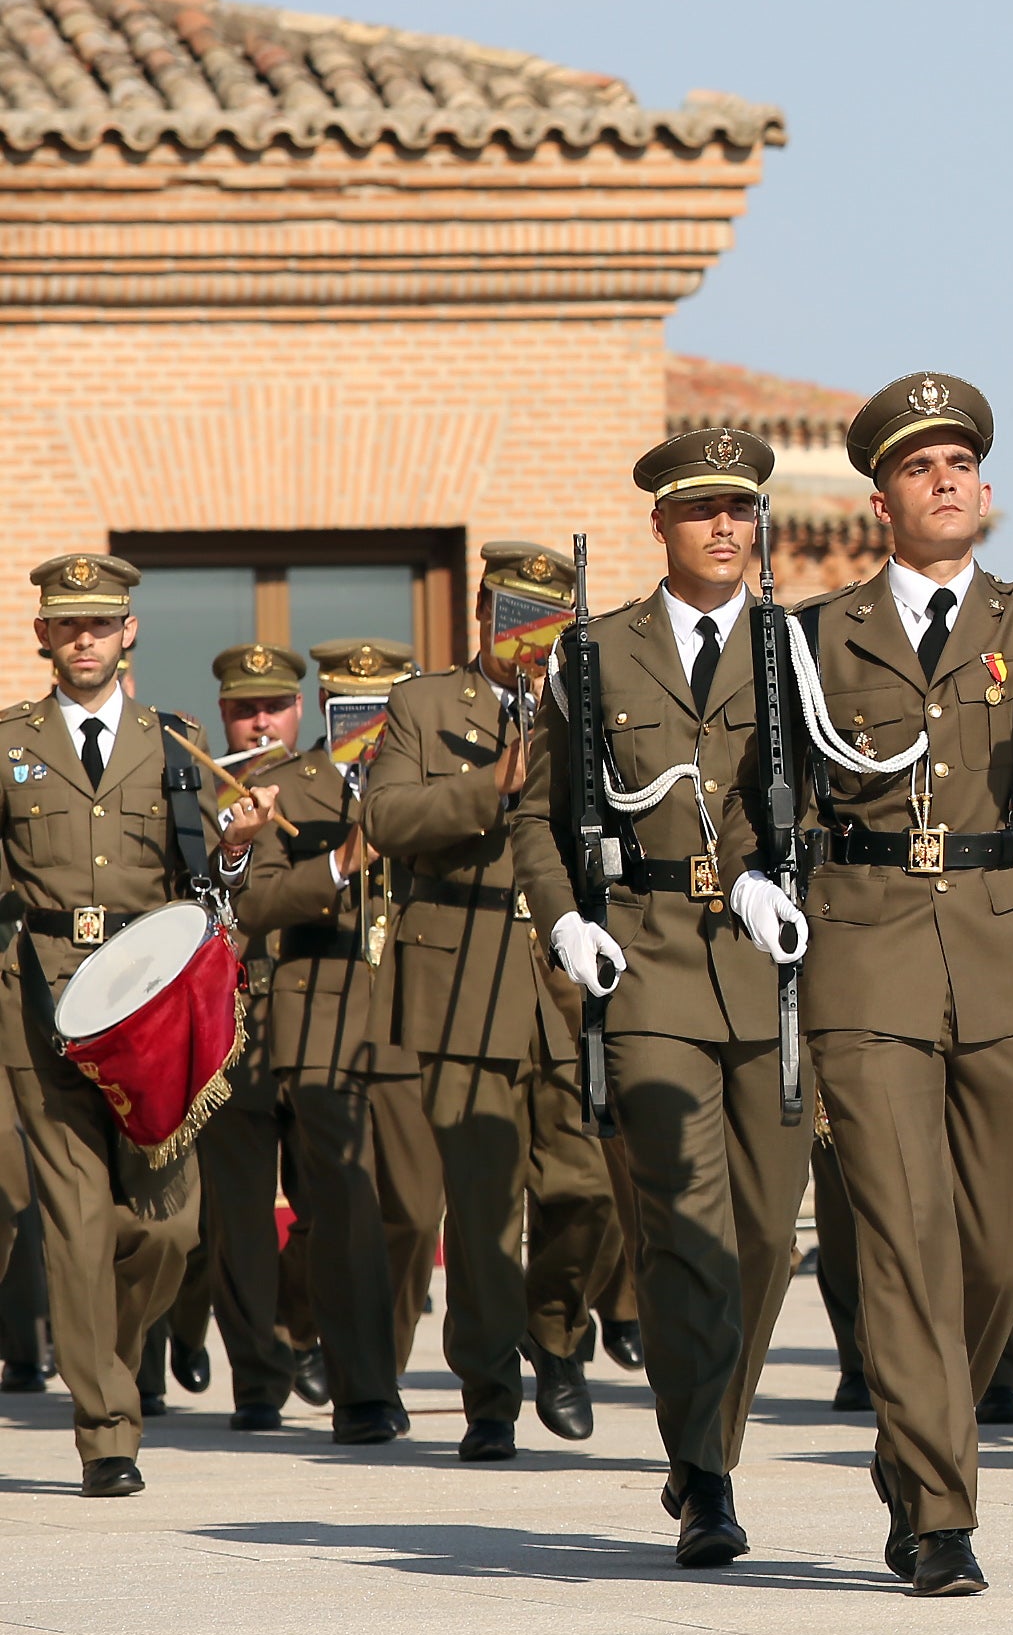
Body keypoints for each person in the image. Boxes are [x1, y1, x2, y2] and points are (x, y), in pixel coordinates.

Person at [797, 371, 1013, 1596]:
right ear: (881, 503)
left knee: (1008, 1241)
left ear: (987, 492)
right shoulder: (816, 634)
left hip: (1004, 942)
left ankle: (920, 1441)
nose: (943, 479)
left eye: (960, 463)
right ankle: (940, 1508)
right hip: (868, 944)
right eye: (917, 467)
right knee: (901, 1235)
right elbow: (770, 784)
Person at [510, 429, 819, 1567]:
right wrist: (563, 920)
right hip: (642, 959)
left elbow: (826, 793)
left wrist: (779, 881)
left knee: (766, 1241)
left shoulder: (794, 647)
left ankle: (700, 1444)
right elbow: (538, 819)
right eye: (702, 511)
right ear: (662, 527)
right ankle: (711, 1479)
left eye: (741, 508)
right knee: (685, 1228)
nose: (724, 527)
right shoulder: (595, 652)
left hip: (764, 963)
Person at [3, 553, 264, 1493]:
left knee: (165, 1230)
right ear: (43, 634)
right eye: (67, 624)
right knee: (75, 1221)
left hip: (147, 1009)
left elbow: (207, 889)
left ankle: (107, 1347)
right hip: (37, 1003)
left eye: (101, 623)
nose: (85, 638)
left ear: (130, 632)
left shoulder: (176, 742)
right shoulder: (8, 744)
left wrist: (233, 851)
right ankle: (107, 1425)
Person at [359, 540, 618, 1466]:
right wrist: (485, 787)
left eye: (547, 624)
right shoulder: (424, 704)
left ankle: (553, 1330)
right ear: (481, 617)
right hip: (459, 971)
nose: (529, 643)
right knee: (478, 1209)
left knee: (586, 1188)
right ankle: (488, 1392)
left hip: (559, 979)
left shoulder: (589, 707)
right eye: (514, 619)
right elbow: (384, 820)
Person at [235, 636, 423, 1447]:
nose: (367, 724)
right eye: (351, 707)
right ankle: (365, 1388)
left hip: (411, 1010)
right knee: (344, 1206)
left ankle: (357, 1345)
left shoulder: (424, 781)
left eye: (380, 708)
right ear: (324, 706)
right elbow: (259, 902)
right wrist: (342, 860)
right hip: (318, 1015)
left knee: (414, 1212)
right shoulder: (284, 788)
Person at [180, 641, 312, 1429]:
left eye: (273, 705)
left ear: (298, 709)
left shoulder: (334, 783)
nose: (259, 720)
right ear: (223, 712)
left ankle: (301, 1327)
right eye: (243, 707)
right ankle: (258, 1381)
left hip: (322, 1019)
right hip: (228, 1022)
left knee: (333, 1208)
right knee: (235, 1216)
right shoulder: (190, 793)